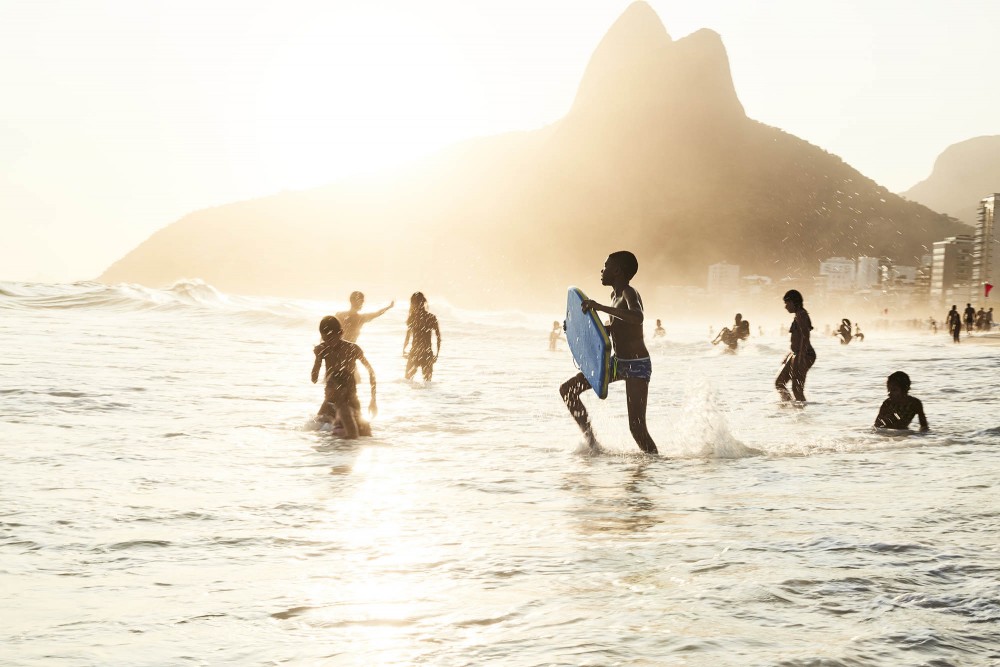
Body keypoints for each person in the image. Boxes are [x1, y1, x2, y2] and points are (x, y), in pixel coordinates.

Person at [559, 251, 657, 454]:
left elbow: (637, 317)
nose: (602, 271)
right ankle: (593, 444)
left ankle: (655, 465)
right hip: (616, 363)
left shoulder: (629, 293)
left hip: (637, 365)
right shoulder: (613, 296)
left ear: (617, 271)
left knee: (637, 428)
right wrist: (577, 326)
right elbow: (614, 331)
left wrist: (600, 308)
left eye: (606, 266)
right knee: (568, 390)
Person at [311, 315, 377, 439]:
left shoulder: (352, 349)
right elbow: (314, 379)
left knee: (359, 433)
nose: (328, 343)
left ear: (341, 333)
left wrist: (373, 400)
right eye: (325, 339)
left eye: (331, 338)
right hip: (330, 400)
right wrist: (317, 358)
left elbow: (371, 372)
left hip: (350, 398)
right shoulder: (323, 350)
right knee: (316, 429)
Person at [775, 289, 816, 403]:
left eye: (787, 303)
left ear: (794, 302)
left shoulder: (801, 315)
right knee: (779, 383)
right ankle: (789, 409)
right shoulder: (798, 315)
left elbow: (805, 336)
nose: (786, 307)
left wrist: (801, 357)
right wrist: (790, 355)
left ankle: (800, 416)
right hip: (796, 353)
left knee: (797, 390)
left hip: (805, 354)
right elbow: (798, 338)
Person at [403, 292, 441, 381]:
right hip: (427, 353)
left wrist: (403, 350)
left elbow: (408, 336)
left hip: (414, 353)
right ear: (423, 302)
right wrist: (437, 355)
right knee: (428, 384)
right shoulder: (431, 317)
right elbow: (438, 337)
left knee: (407, 381)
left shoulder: (412, 318)